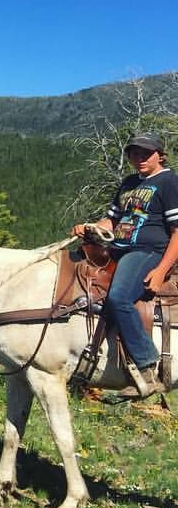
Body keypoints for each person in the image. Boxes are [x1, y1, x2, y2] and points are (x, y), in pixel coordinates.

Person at [72, 132, 178, 398]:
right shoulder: (130, 182)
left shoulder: (168, 182)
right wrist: (90, 227)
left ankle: (146, 365)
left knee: (119, 297)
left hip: (146, 251)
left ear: (160, 155)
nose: (139, 158)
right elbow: (113, 220)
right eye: (134, 153)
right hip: (117, 248)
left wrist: (161, 270)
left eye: (146, 153)